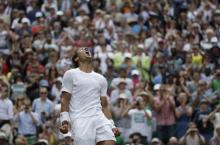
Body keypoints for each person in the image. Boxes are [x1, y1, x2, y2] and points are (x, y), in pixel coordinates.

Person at [59, 47, 120, 145]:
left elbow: (104, 105)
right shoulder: (70, 74)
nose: (86, 49)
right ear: (76, 59)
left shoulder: (101, 79)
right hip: (80, 120)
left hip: (99, 117)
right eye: (82, 49)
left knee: (110, 142)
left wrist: (112, 125)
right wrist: (64, 122)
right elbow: (65, 100)